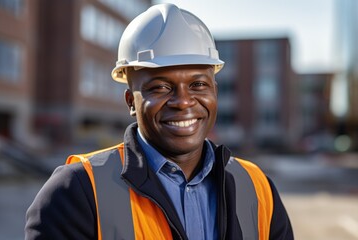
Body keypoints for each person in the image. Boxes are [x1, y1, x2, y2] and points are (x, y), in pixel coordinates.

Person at [25, 3, 293, 240]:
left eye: (198, 84)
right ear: (131, 101)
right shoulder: (78, 191)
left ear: (215, 92)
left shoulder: (257, 187)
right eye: (161, 87)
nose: (183, 101)